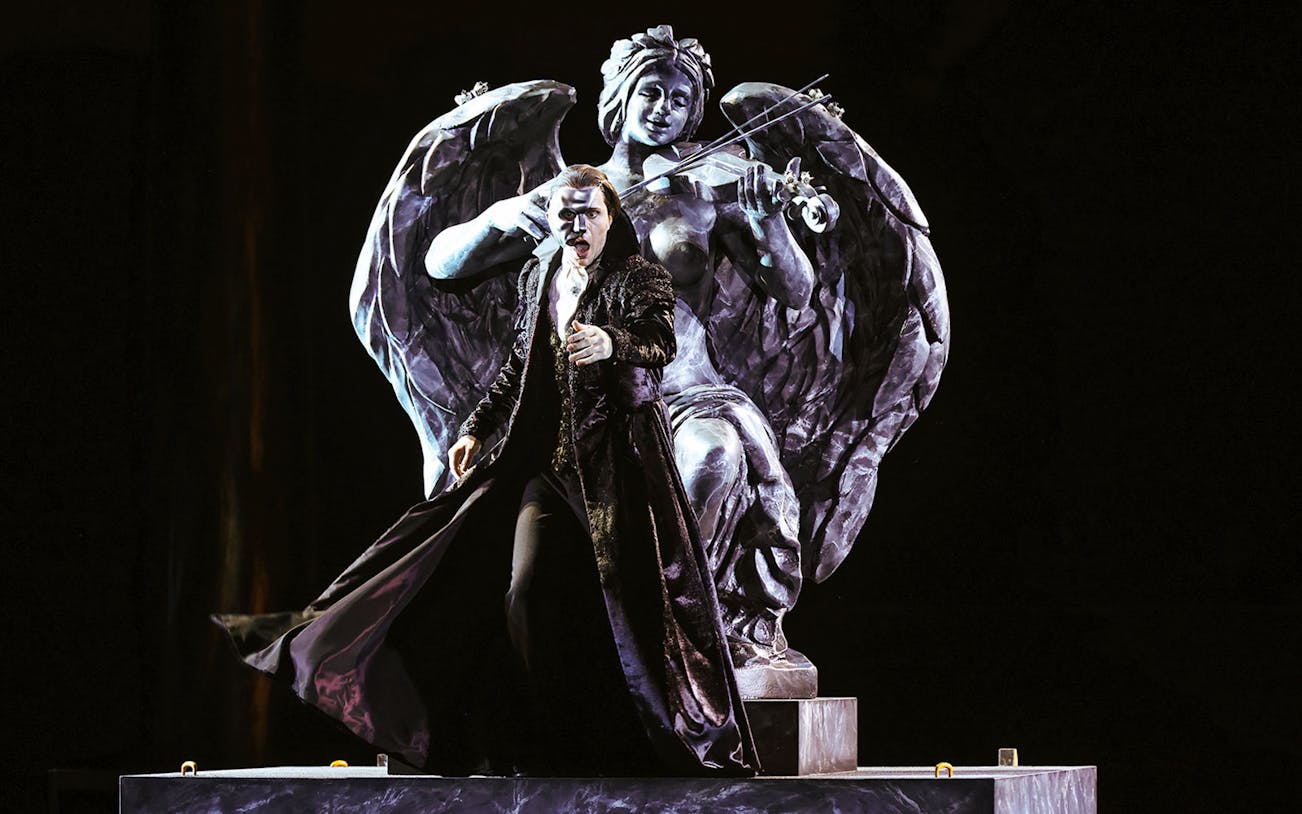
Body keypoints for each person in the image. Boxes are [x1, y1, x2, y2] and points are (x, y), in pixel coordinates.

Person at [216, 165, 757, 777]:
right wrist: (475, 427)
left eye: (590, 213)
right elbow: (516, 369)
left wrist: (613, 342)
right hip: (548, 468)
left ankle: (623, 740)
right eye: (565, 214)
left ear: (611, 218)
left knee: (627, 606)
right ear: (552, 220)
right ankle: (536, 737)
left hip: (619, 471)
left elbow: (661, 342)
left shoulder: (638, 278)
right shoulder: (541, 278)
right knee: (523, 592)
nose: (577, 225)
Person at [425, 26, 813, 670]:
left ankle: (682, 641)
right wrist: (501, 218)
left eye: (683, 99)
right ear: (622, 96)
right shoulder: (570, 196)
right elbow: (441, 263)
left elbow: (795, 291)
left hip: (686, 394)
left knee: (712, 458)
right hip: (583, 413)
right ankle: (607, 661)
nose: (666, 108)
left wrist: (770, 216)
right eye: (653, 91)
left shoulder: (709, 192)